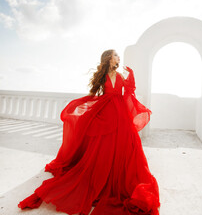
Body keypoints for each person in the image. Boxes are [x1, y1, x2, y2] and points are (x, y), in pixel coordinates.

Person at [17, 49, 161, 215]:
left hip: (120, 112)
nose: (118, 57)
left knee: (124, 143)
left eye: (118, 56)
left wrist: (131, 76)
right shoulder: (102, 75)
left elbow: (128, 92)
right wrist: (83, 104)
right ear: (108, 58)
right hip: (106, 109)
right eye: (115, 55)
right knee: (103, 145)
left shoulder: (121, 75)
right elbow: (94, 93)